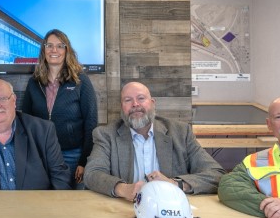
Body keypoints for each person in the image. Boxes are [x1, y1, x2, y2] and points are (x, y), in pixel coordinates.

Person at [84, 81, 224, 201]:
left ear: (152, 103)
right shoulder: (106, 134)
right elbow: (92, 174)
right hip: (125, 208)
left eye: (141, 98)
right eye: (128, 100)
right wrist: (124, 189)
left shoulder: (181, 132)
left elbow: (216, 174)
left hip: (171, 207)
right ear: (122, 108)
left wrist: (174, 184)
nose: (135, 104)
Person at [21, 29, 97, 190]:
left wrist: (84, 161)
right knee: (46, 203)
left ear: (66, 50)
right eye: (49, 45)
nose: (54, 50)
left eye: (60, 46)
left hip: (72, 155)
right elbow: (25, 122)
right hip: (41, 155)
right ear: (43, 50)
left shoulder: (80, 81)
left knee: (71, 205)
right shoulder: (34, 82)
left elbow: (91, 122)